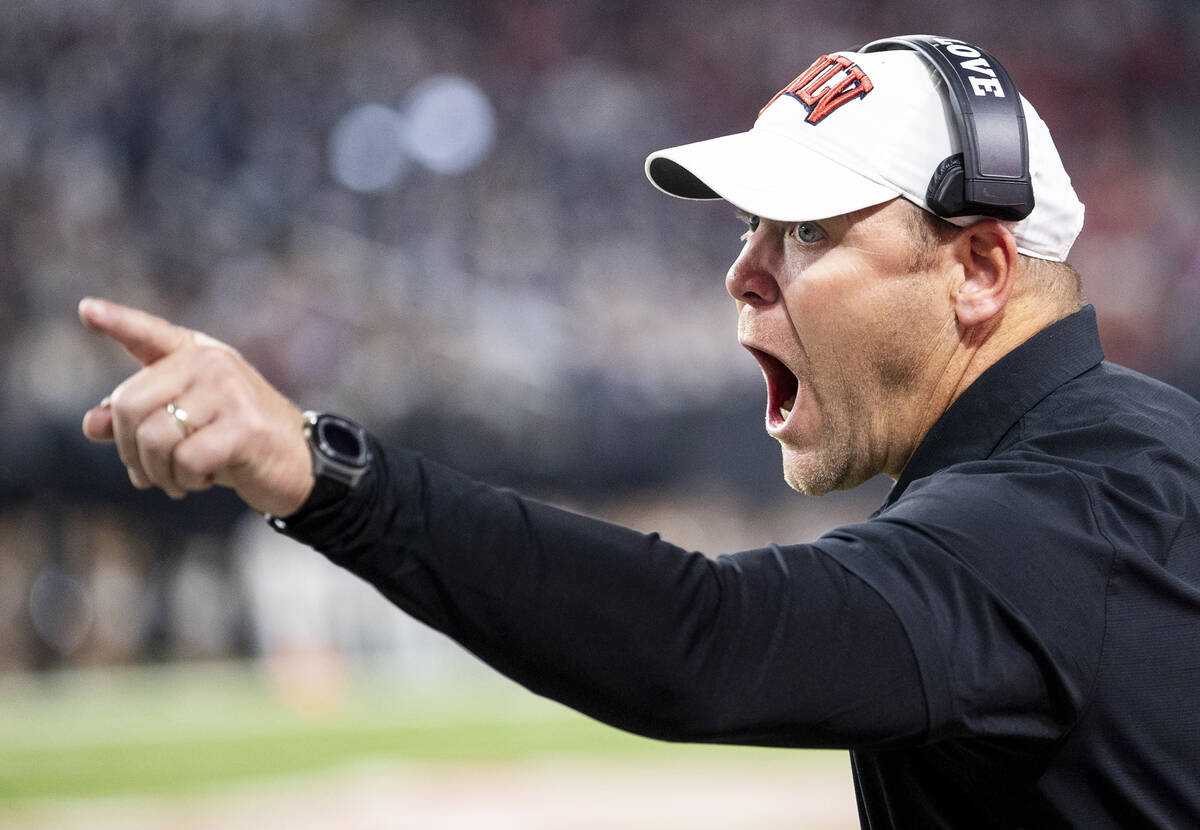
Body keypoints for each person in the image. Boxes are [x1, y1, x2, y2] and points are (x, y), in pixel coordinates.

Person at [79, 36, 1200, 829]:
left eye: (807, 229)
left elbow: (701, 642)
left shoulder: (1041, 526)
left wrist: (320, 472)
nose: (743, 270)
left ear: (979, 268)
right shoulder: (1147, 444)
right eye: (752, 226)